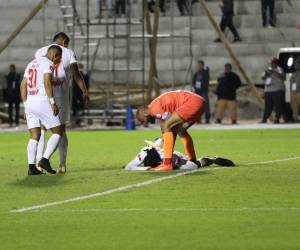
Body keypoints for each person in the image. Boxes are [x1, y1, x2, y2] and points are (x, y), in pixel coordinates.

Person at [34, 32, 90, 174]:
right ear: (64, 41)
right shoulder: (68, 52)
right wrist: (84, 92)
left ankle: (38, 163)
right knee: (61, 131)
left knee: (42, 129)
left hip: (44, 96)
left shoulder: (40, 52)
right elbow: (76, 75)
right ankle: (62, 164)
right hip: (61, 97)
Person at [136, 90, 205, 171]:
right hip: (200, 102)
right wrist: (164, 142)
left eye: (143, 120)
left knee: (166, 125)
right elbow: (171, 129)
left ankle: (167, 164)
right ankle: (193, 161)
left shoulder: (154, 108)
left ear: (144, 112)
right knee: (181, 131)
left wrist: (161, 140)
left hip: (192, 103)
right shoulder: (157, 106)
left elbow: (167, 125)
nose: (145, 123)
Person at [20, 45, 63, 175]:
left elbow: (23, 84)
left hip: (30, 101)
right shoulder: (48, 63)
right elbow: (47, 82)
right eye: (58, 59)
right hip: (42, 100)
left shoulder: (31, 63)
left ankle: (31, 167)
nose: (58, 61)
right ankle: (44, 160)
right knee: (58, 132)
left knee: (35, 136)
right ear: (54, 55)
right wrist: (52, 102)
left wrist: (25, 104)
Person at [125, 137, 235, 171]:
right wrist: (149, 169)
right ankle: (211, 159)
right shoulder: (149, 150)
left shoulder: (147, 150)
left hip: (180, 164)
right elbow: (129, 167)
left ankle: (211, 159)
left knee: (194, 164)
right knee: (195, 164)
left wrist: (148, 169)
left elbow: (129, 167)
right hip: (182, 164)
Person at [261, 57, 285, 123]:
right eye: (271, 63)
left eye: (273, 63)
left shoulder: (279, 69)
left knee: (278, 106)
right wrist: (266, 74)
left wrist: (273, 72)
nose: (272, 64)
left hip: (277, 90)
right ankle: (264, 119)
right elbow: (262, 78)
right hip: (268, 91)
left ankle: (277, 119)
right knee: (267, 106)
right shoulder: (268, 69)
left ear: (276, 63)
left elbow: (283, 77)